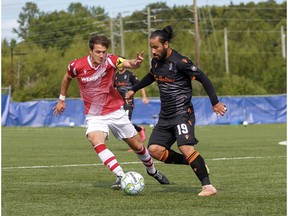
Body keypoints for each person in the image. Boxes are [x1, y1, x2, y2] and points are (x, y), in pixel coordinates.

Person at [53, 34, 169, 190]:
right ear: (90, 51)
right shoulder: (77, 65)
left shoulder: (110, 60)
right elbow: (67, 77)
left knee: (137, 146)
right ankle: (121, 175)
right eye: (98, 52)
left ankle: (153, 171)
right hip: (94, 115)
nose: (102, 55)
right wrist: (61, 99)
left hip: (115, 110)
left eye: (104, 52)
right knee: (95, 140)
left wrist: (135, 63)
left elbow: (126, 62)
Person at [125, 26, 227, 196]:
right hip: (165, 116)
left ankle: (208, 187)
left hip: (182, 113)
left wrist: (214, 102)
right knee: (155, 150)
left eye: (156, 47)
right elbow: (151, 76)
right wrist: (133, 89)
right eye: (151, 47)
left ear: (166, 44)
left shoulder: (181, 62)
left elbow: (203, 78)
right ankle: (193, 163)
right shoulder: (156, 62)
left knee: (185, 147)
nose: (153, 51)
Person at [114, 66, 149, 143]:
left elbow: (141, 85)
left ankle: (136, 143)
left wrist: (144, 97)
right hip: (119, 103)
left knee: (126, 122)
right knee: (121, 122)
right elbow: (112, 89)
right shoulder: (115, 76)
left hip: (128, 102)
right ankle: (139, 129)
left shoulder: (130, 75)